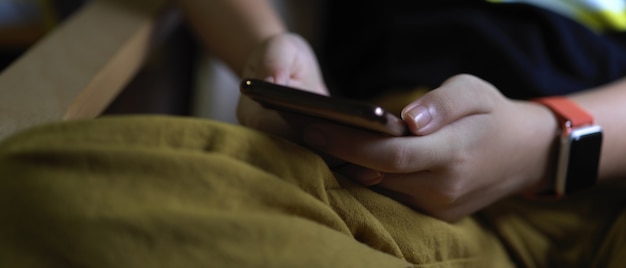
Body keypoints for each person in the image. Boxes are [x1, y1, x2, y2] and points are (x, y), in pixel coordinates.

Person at [1, 0, 625, 267]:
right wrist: (268, 52)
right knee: (36, 195)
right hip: (380, 184)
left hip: (611, 177)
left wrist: (549, 144)